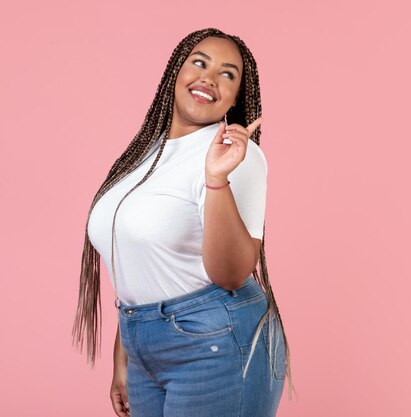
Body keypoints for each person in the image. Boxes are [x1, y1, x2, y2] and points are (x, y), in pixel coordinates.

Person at [71, 28, 295, 417]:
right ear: (177, 70)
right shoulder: (144, 156)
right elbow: (139, 263)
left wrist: (216, 179)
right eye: (199, 62)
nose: (209, 77)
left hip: (218, 342)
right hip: (144, 342)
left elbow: (230, 274)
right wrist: (125, 354)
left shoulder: (237, 156)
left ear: (236, 96)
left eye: (228, 74)